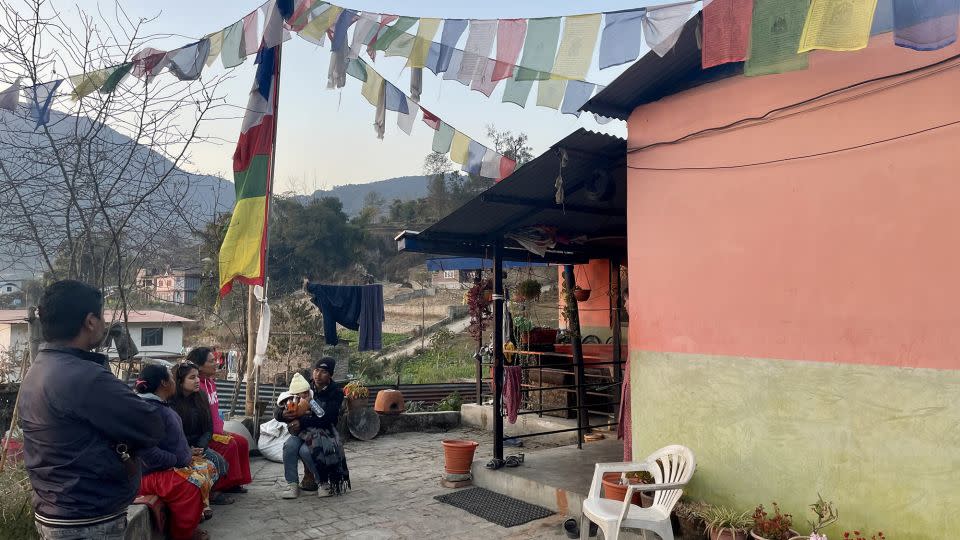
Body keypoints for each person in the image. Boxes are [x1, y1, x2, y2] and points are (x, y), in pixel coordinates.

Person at [19, 280, 165, 539]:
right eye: (102, 316)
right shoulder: (85, 377)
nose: (104, 323)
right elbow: (151, 425)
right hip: (87, 520)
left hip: (55, 510)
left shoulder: (40, 367)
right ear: (90, 321)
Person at [135, 363, 213, 540]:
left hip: (168, 466)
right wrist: (176, 459)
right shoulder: (148, 410)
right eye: (171, 377)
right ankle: (183, 534)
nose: (173, 381)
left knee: (205, 469)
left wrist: (185, 454)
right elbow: (147, 452)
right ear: (163, 383)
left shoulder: (159, 405)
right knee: (192, 485)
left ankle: (192, 523)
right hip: (150, 474)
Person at [278, 358, 349, 499]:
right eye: (316, 370)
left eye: (323, 372)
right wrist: (282, 414)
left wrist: (302, 422)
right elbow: (283, 403)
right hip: (303, 431)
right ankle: (292, 485)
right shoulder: (305, 387)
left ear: (330, 375)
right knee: (289, 446)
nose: (318, 375)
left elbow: (328, 418)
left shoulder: (336, 392)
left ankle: (322, 483)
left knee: (306, 450)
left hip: (325, 432)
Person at [189, 347, 251, 493]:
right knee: (230, 444)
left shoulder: (211, 383)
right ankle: (220, 487)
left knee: (242, 442)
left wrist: (221, 429)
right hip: (206, 434)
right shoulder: (197, 387)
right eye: (211, 361)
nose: (216, 363)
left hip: (218, 430)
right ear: (199, 366)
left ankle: (235, 481)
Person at [170, 361, 233, 506]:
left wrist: (201, 446)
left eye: (197, 376)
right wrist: (187, 449)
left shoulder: (202, 397)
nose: (197, 380)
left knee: (219, 462)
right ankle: (200, 502)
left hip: (199, 445)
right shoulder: (172, 402)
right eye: (192, 378)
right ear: (180, 381)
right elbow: (173, 434)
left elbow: (208, 428)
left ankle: (211, 492)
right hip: (180, 447)